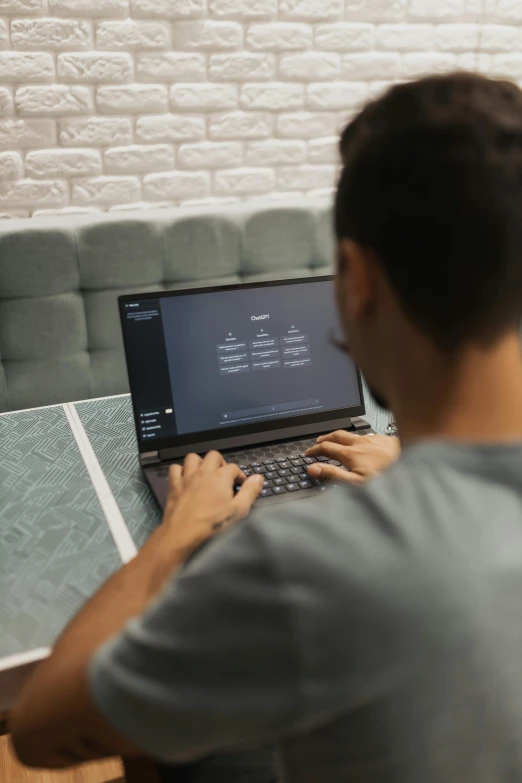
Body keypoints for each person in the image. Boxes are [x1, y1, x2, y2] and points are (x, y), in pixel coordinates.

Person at [10, 71, 522, 783]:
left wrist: (175, 534)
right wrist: (415, 467)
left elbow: (38, 729)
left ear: (357, 278)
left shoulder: (301, 566)